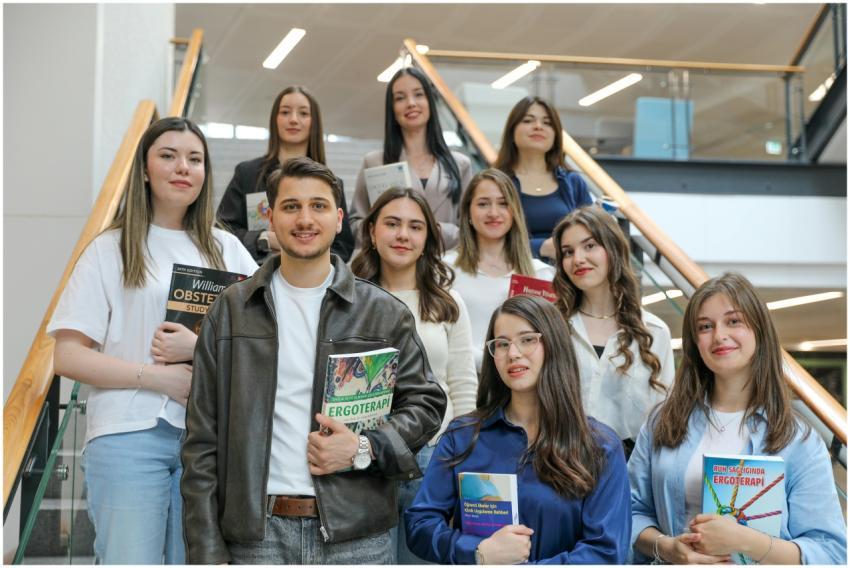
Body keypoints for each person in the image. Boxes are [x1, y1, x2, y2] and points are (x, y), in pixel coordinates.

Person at [181, 157, 447, 565]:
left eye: (319, 206)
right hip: (257, 536)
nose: (305, 219)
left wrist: (363, 448)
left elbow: (426, 405)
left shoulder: (382, 313)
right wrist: (205, 551)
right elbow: (201, 443)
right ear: (270, 217)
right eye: (291, 206)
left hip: (356, 536)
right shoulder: (231, 310)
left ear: (340, 218)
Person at [48, 117, 258, 564]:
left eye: (195, 159)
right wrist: (157, 378)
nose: (183, 167)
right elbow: (66, 355)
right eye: (168, 155)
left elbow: (259, 344)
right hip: (127, 435)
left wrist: (197, 351)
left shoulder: (229, 250)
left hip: (209, 440)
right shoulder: (110, 249)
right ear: (144, 169)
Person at [629, 273, 846, 564]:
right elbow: (630, 512)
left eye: (734, 321)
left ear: (759, 330)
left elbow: (830, 551)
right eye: (705, 326)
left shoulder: (798, 439)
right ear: (695, 342)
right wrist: (666, 548)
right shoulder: (662, 422)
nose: (719, 335)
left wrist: (749, 542)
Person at [404, 295, 631, 564]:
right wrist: (478, 553)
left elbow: (605, 551)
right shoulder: (464, 436)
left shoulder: (600, 446)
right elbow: (420, 524)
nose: (513, 353)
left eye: (527, 340)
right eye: (502, 344)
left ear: (554, 345)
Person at [351, 187, 478, 563]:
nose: (403, 235)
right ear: (372, 232)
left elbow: (463, 384)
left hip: (434, 457)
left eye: (415, 227)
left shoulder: (447, 302)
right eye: (392, 224)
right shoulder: (348, 300)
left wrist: (464, 457)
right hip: (364, 459)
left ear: (427, 240)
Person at [552, 206, 673, 457]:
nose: (578, 259)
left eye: (589, 246)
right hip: (559, 467)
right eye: (568, 252)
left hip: (629, 473)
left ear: (613, 249)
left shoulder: (654, 331)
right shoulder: (553, 326)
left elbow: (663, 419)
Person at [216, 85, 354, 263]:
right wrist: (262, 239)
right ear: (275, 119)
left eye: (303, 113)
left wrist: (306, 248)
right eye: (285, 112)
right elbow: (222, 230)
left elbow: (343, 247)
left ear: (315, 122)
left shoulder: (331, 183)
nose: (294, 120)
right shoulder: (247, 173)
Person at [349, 66, 473, 250]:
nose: (411, 103)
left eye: (419, 94)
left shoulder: (460, 164)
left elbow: (470, 225)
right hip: (390, 268)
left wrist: (435, 232)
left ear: (430, 101)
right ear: (392, 108)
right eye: (400, 98)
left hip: (445, 265)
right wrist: (386, 233)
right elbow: (356, 223)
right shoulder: (374, 162)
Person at [444, 168, 554, 371]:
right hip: (461, 384)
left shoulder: (542, 275)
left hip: (523, 389)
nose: (493, 213)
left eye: (503, 204)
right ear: (468, 212)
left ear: (515, 212)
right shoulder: (444, 270)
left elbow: (549, 343)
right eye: (483, 204)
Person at [494, 96, 593, 261]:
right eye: (528, 121)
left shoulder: (573, 182)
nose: (538, 127)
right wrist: (540, 247)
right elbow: (482, 240)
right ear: (512, 131)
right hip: (511, 275)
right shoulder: (495, 183)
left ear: (556, 134)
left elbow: (593, 234)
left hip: (568, 277)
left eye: (547, 123)